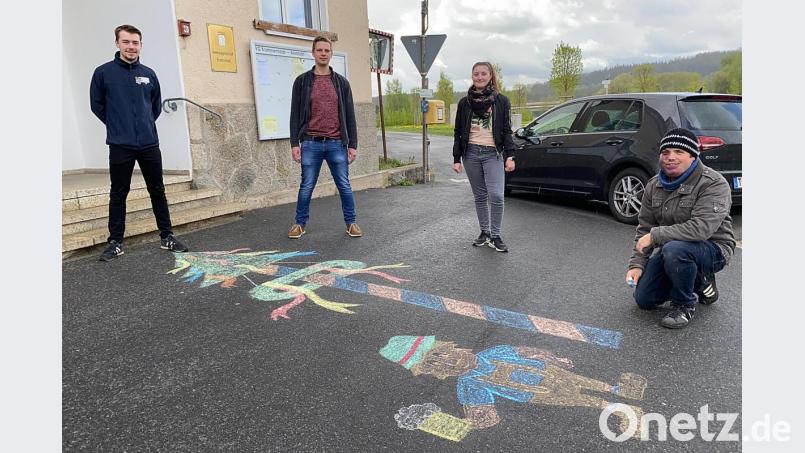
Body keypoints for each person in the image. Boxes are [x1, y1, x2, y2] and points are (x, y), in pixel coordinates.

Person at [380, 335, 646, 438]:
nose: (451, 360)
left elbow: (523, 351)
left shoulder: (491, 353)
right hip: (532, 394)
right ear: (437, 373)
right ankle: (616, 407)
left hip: (545, 372)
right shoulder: (469, 386)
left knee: (580, 382)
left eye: (443, 352)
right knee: (576, 397)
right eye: (438, 363)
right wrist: (437, 422)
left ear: (451, 345)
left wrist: (552, 357)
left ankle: (616, 390)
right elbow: (484, 418)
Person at [90, 24, 188, 261]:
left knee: (158, 190)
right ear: (117, 43)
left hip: (148, 143)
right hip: (120, 144)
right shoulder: (103, 73)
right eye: (126, 42)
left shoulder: (149, 73)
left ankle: (167, 236)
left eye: (135, 43)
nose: (131, 47)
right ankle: (115, 242)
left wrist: (143, 126)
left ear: (140, 45)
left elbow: (154, 107)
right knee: (119, 192)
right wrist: (118, 126)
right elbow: (97, 106)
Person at [626, 128, 736, 329]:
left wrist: (655, 236)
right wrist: (637, 264)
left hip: (713, 248)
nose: (670, 157)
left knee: (675, 250)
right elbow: (645, 228)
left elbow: (701, 229)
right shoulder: (653, 185)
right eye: (666, 152)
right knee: (644, 299)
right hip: (675, 248)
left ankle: (684, 304)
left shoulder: (713, 183)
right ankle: (700, 281)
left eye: (678, 152)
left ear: (692, 156)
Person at [287, 36, 361, 239]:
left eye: (327, 50)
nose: (323, 53)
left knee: (344, 185)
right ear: (313, 53)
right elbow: (294, 115)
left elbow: (350, 115)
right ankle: (299, 224)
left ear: (331, 53)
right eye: (319, 50)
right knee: (306, 186)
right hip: (311, 143)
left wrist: (352, 145)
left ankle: (351, 223)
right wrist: (295, 143)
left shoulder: (341, 83)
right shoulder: (302, 82)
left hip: (337, 143)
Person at [452, 62, 516, 252]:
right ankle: (484, 232)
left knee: (496, 195)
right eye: (476, 74)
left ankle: (495, 235)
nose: (479, 77)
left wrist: (510, 155)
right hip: (470, 153)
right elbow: (457, 131)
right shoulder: (465, 103)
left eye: (483, 74)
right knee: (480, 196)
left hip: (492, 154)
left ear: (490, 76)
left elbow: (506, 130)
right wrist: (456, 158)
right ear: (472, 76)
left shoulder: (501, 101)